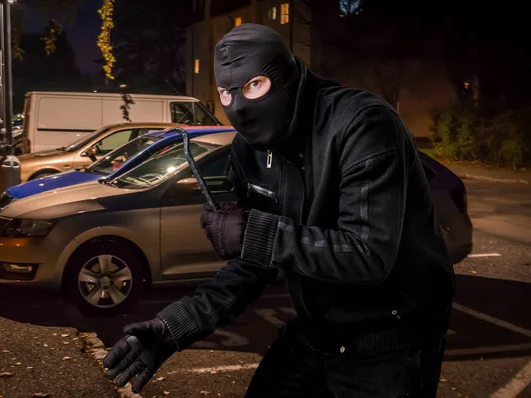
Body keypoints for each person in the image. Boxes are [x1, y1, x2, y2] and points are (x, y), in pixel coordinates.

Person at [103, 23, 454, 397]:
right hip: (317, 330)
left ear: (286, 75)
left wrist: (255, 231)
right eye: (225, 92)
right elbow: (254, 263)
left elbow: (368, 254)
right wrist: (176, 327)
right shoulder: (248, 151)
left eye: (255, 85)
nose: (238, 107)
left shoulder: (362, 125)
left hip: (390, 338)